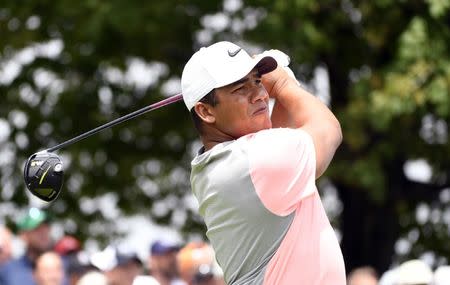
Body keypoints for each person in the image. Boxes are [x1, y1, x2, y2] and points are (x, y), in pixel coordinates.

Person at [181, 41, 344, 284]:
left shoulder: (218, 163)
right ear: (205, 112)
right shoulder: (254, 161)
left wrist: (282, 85)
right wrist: (283, 83)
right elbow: (328, 131)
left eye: (257, 81)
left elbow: (278, 136)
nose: (259, 94)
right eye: (240, 89)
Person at [0, 208, 53, 285]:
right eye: (37, 228)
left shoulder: (62, 267)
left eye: (46, 227)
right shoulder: (8, 271)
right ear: (23, 235)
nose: (43, 232)